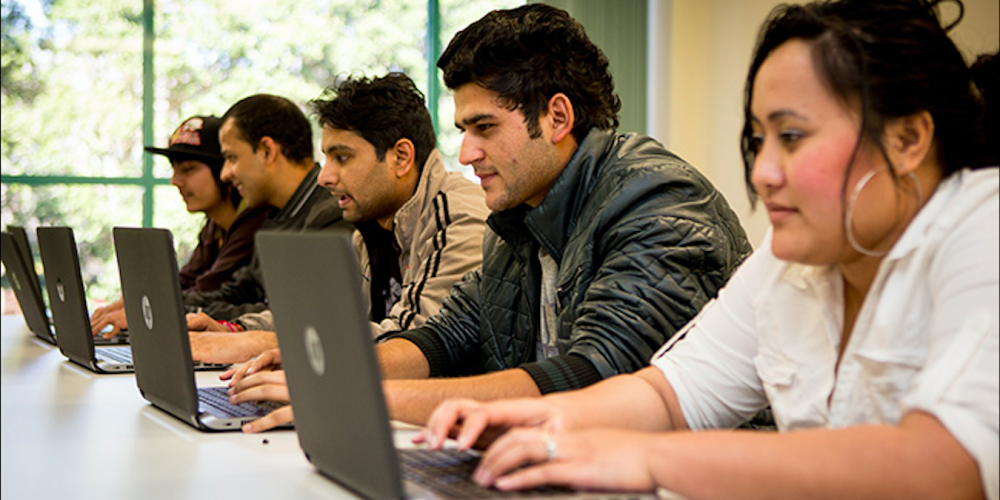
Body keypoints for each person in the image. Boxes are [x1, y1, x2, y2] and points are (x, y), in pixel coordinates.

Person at [417, 1, 999, 499]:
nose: (764, 172)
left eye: (791, 137)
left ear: (907, 139)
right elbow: (669, 393)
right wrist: (540, 417)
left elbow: (945, 466)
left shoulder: (982, 223)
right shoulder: (793, 261)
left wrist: (643, 458)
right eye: (757, 139)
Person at [227, 4, 751, 432]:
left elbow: (592, 379)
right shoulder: (519, 218)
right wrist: (329, 371)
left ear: (557, 117)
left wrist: (357, 396)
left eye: (484, 127)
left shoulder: (657, 201)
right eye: (463, 128)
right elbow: (446, 337)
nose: (466, 153)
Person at [185, 73, 490, 362]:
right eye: (327, 158)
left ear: (401, 157)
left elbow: (415, 344)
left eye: (342, 157)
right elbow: (317, 316)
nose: (325, 177)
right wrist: (235, 330)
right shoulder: (371, 227)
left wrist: (264, 344)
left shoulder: (455, 217)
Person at [89, 115, 270, 337]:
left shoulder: (257, 222)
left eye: (188, 169)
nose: (175, 181)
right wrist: (134, 303)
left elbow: (209, 289)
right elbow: (183, 282)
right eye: (175, 170)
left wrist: (147, 309)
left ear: (224, 168)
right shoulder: (213, 225)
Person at [180, 94, 349, 321]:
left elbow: (292, 315)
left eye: (232, 158)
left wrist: (193, 313)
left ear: (267, 151)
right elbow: (240, 290)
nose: (225, 173)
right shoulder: (275, 215)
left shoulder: (334, 217)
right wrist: (175, 307)